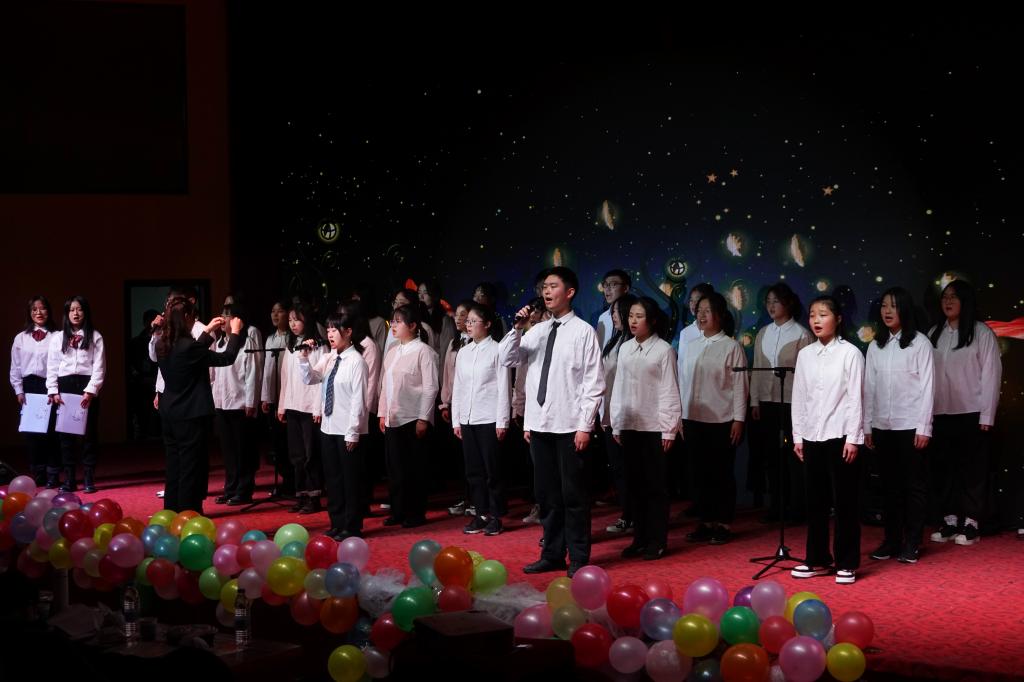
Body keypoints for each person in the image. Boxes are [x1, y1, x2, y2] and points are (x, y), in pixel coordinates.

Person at [501, 267, 605, 578]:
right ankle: (552, 554)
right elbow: (508, 359)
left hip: (570, 425)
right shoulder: (537, 331)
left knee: (574, 495)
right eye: (544, 287)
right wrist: (516, 329)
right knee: (547, 495)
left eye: (553, 286)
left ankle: (579, 557)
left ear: (569, 292)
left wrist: (585, 425)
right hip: (539, 425)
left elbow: (593, 382)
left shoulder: (583, 331)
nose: (546, 292)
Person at [790, 295, 865, 585]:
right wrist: (798, 436)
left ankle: (847, 562)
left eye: (823, 314)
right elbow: (799, 397)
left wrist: (854, 438)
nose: (816, 320)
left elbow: (856, 398)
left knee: (845, 502)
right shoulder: (805, 355)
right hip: (812, 435)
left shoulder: (850, 353)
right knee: (815, 502)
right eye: (812, 315)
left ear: (838, 319)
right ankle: (817, 558)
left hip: (841, 435)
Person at [927, 280, 1002, 547]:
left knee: (973, 470)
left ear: (966, 301)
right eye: (944, 297)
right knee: (944, 469)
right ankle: (949, 520)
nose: (948, 301)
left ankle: (972, 523)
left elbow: (991, 374)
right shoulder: (934, 333)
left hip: (971, 412)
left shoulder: (981, 333)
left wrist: (987, 415)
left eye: (954, 297)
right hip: (940, 412)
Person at [864, 287, 934, 564]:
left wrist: (924, 426)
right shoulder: (875, 346)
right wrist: (867, 426)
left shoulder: (920, 343)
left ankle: (913, 541)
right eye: (884, 306)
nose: (887, 311)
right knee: (889, 486)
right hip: (882, 426)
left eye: (893, 306)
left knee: (913, 486)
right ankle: (891, 540)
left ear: (904, 308)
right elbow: (868, 388)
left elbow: (928, 387)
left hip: (910, 425)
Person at [155, 295, 243, 513]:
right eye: (192, 317)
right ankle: (189, 515)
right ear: (186, 317)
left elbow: (191, 352)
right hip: (190, 415)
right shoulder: (188, 348)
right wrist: (235, 333)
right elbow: (227, 357)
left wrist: (207, 331)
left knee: (174, 467)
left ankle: (171, 514)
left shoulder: (162, 344)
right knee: (190, 469)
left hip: (169, 413)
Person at [611, 297, 681, 560]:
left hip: (654, 427)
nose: (633, 321)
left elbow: (669, 389)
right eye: (630, 316)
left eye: (639, 316)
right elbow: (618, 386)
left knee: (655, 486)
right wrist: (616, 423)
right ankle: (639, 538)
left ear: (651, 320)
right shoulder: (625, 348)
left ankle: (657, 540)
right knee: (634, 485)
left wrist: (669, 428)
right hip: (630, 425)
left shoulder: (663, 350)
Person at [679, 292, 748, 545]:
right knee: (699, 473)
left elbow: (740, 386)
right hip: (692, 418)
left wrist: (739, 419)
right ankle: (706, 521)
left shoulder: (731, 346)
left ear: (719, 315)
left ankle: (723, 523)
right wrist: (680, 415)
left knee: (721, 473)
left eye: (707, 311)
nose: (701, 315)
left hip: (721, 420)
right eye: (699, 311)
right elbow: (683, 382)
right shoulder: (691, 346)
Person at [300, 309, 370, 540]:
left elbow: (359, 399)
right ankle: (337, 522)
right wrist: (304, 358)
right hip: (328, 427)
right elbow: (310, 378)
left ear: (348, 332)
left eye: (334, 330)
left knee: (350, 480)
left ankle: (352, 526)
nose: (330, 334)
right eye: (328, 329)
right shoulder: (330, 358)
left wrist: (353, 432)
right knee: (333, 479)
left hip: (347, 429)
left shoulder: (356, 361)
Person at [749, 283, 814, 523]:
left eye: (776, 301)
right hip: (767, 403)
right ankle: (776, 506)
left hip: (792, 404)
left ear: (788, 303)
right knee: (771, 456)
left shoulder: (801, 334)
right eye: (768, 301)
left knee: (793, 457)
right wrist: (755, 401)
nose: (771, 306)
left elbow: (808, 374)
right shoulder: (763, 333)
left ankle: (797, 508)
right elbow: (756, 367)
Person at [452, 303, 512, 536]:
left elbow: (504, 387)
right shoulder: (464, 352)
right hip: (467, 418)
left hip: (489, 417)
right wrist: (456, 420)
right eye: (467, 321)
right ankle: (481, 514)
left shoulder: (497, 350)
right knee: (473, 471)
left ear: (487, 324)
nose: (468, 325)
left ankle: (496, 516)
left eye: (473, 321)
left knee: (492, 470)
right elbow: (458, 387)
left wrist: (502, 421)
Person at [377, 303, 439, 528]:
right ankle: (398, 511)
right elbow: (385, 385)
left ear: (412, 325)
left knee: (414, 469)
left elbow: (431, 387)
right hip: (392, 417)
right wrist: (382, 413)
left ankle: (415, 513)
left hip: (413, 418)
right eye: (392, 321)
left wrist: (423, 418)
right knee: (395, 469)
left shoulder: (424, 351)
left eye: (398, 322)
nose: (393, 325)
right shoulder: (393, 351)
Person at [47, 296, 105, 494]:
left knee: (89, 434)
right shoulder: (57, 337)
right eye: (71, 310)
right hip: (65, 384)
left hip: (86, 386)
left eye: (79, 309)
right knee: (65, 435)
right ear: (67, 313)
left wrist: (90, 391)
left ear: (85, 312)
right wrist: (53, 390)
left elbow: (99, 366)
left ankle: (88, 477)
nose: (76, 313)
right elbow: (52, 366)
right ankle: (69, 478)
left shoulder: (95, 336)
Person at [212, 303, 263, 506]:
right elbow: (213, 374)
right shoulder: (219, 343)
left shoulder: (246, 342)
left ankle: (243, 490)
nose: (224, 319)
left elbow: (253, 374)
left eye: (228, 315)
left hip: (240, 403)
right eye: (223, 314)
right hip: (221, 402)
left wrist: (251, 401)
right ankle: (230, 488)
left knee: (243, 450)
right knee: (228, 450)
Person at [277, 301, 325, 514]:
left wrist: (317, 408)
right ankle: (301, 494)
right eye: (290, 320)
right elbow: (285, 378)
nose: (293, 324)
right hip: (293, 404)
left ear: (307, 320)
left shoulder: (318, 345)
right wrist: (282, 406)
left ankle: (314, 496)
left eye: (297, 320)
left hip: (309, 406)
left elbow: (321, 379)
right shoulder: (290, 346)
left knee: (310, 453)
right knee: (296, 454)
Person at [599, 293, 638, 535]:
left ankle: (634, 516)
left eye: (616, 311)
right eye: (612, 312)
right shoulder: (614, 341)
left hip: (627, 416)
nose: (613, 316)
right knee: (618, 469)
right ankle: (627, 514)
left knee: (630, 469)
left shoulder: (632, 345)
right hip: (609, 414)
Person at [10, 296, 59, 487]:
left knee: (51, 431)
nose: (39, 312)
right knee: (32, 433)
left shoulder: (57, 336)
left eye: (42, 308)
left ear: (49, 311)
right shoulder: (21, 338)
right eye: (34, 309)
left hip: (50, 384)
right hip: (29, 385)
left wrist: (55, 388)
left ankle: (53, 473)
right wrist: (18, 390)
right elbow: (15, 366)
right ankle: (38, 473)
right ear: (30, 313)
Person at [261, 298, 295, 497]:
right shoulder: (270, 339)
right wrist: (265, 397)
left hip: (288, 398)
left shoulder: (292, 338)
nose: (275, 315)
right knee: (277, 443)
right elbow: (267, 370)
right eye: (273, 311)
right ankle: (284, 480)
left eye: (279, 311)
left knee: (289, 443)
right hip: (274, 397)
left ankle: (294, 482)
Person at [596, 269, 632, 349]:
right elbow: (600, 349)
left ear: (625, 288)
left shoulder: (634, 313)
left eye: (613, 284)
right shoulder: (603, 317)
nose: (607, 289)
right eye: (605, 285)